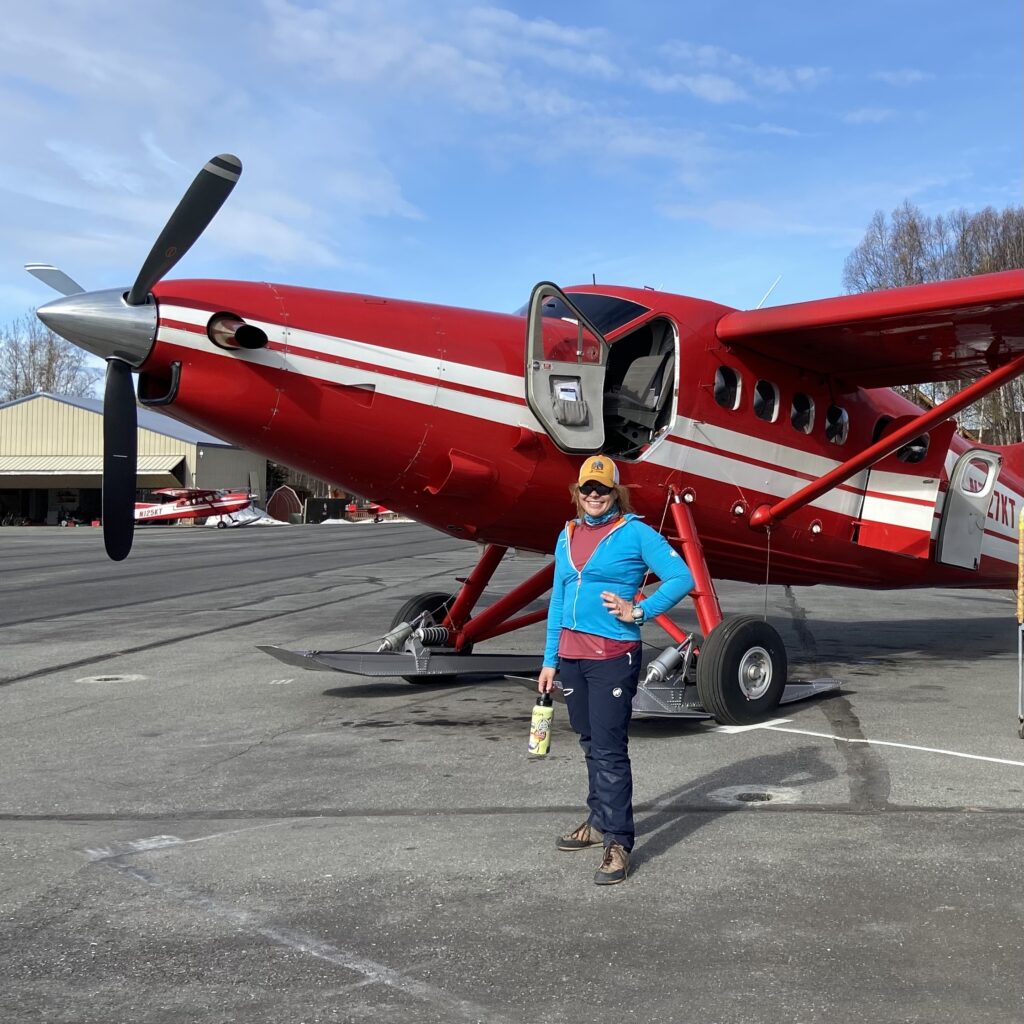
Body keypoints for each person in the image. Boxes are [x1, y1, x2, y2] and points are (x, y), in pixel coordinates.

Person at [537, 455, 694, 885]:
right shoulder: (566, 535)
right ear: (577, 491)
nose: (593, 495)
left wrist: (639, 611)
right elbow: (556, 599)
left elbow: (682, 577)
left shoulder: (636, 533)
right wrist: (550, 660)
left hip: (612, 656)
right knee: (590, 741)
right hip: (571, 657)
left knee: (608, 748)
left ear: (615, 493)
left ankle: (619, 843)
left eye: (602, 490)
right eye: (587, 488)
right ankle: (598, 819)